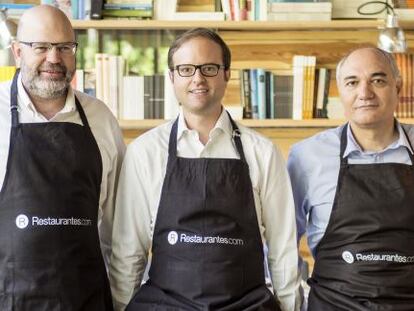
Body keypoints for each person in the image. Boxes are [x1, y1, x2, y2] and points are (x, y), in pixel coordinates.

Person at [109, 28, 301, 311]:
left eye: (209, 68)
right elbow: (128, 251)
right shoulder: (145, 151)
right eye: (186, 69)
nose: (198, 78)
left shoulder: (262, 151)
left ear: (226, 74)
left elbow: (283, 250)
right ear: (172, 77)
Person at [0, 5, 125, 310]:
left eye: (64, 47)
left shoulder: (101, 119)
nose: (54, 58)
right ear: (18, 52)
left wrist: (123, 301)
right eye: (40, 47)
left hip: (87, 299)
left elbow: (118, 228)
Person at [288, 46, 414, 310]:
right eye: (352, 82)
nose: (364, 93)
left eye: (378, 80)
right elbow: (283, 243)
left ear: (398, 88)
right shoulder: (307, 156)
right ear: (340, 92)